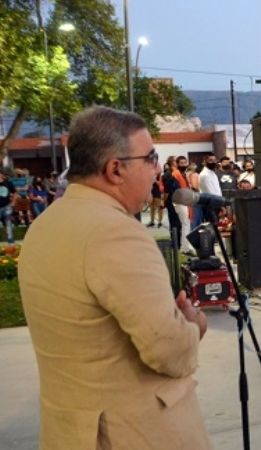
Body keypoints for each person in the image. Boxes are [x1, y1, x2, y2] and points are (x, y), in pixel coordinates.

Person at [18, 106, 211, 450]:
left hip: (69, 431)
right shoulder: (116, 233)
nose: (157, 169)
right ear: (115, 169)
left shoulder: (44, 225)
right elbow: (167, 349)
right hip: (130, 433)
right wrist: (193, 326)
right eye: (150, 158)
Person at [198, 155, 222, 225]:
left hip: (216, 203)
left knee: (216, 224)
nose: (213, 162)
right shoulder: (204, 174)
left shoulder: (212, 172)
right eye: (210, 160)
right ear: (205, 162)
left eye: (214, 160)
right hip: (210, 204)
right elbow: (210, 192)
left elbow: (217, 189)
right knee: (213, 225)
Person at [0, 171, 17, 244]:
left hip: (7, 206)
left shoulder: (8, 183)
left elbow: (15, 193)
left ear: (2, 175)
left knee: (8, 224)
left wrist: (13, 202)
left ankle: (11, 242)